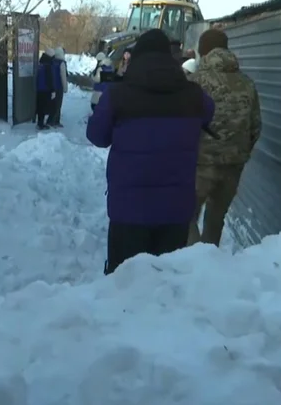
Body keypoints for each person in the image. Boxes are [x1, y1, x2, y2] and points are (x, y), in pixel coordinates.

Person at [86, 29, 216, 275]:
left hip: (128, 211)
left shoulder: (117, 96)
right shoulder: (195, 97)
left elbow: (96, 136)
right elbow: (209, 113)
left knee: (123, 281)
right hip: (176, 211)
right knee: (166, 285)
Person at [187, 28, 261, 246]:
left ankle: (192, 264)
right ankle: (210, 266)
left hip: (200, 164)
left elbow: (185, 123)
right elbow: (256, 126)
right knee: (215, 221)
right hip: (233, 165)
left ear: (204, 51)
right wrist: (240, 152)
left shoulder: (195, 81)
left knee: (186, 218)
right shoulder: (247, 84)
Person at [35, 49, 57, 130]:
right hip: (46, 89)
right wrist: (52, 90)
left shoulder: (41, 63)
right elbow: (49, 79)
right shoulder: (48, 65)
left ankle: (40, 123)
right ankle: (43, 124)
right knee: (47, 107)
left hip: (39, 89)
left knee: (40, 107)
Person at [49, 47, 69, 126]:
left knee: (53, 104)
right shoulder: (62, 63)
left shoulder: (52, 61)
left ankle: (52, 120)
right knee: (58, 105)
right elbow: (63, 76)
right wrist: (65, 88)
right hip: (59, 87)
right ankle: (56, 122)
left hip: (52, 86)